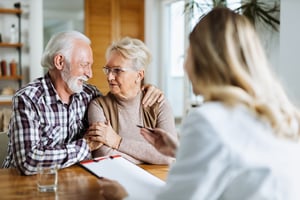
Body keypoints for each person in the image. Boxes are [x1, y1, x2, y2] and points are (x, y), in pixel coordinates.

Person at [98, 7, 300, 200]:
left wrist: (125, 195)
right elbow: (237, 163)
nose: (185, 65)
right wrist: (179, 151)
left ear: (205, 60)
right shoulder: (279, 114)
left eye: (188, 54)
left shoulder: (209, 119)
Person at [2, 31, 164, 175]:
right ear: (59, 62)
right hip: (24, 184)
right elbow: (28, 162)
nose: (89, 73)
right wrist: (85, 146)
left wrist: (142, 91)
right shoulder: (28, 98)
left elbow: (121, 109)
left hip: (75, 180)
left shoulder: (90, 95)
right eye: (84, 65)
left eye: (91, 66)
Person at [86, 37, 178, 165]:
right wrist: (150, 158)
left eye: (117, 70)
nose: (109, 76)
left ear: (139, 75)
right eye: (108, 69)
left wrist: (117, 142)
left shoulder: (159, 103)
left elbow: (170, 155)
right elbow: (103, 155)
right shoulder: (98, 106)